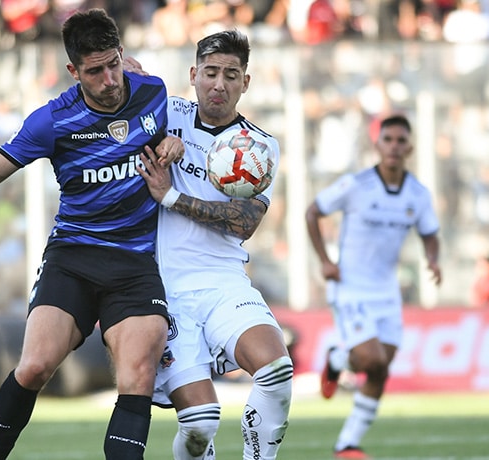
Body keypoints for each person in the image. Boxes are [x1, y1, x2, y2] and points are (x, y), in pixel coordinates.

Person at [0, 9, 184, 460]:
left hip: (135, 261)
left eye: (113, 64)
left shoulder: (153, 92)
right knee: (35, 366)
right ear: (73, 71)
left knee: (138, 373)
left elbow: (176, 137)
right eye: (94, 71)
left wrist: (171, 144)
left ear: (122, 55)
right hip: (74, 256)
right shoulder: (52, 121)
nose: (108, 79)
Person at [134, 30, 293, 460]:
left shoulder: (260, 147)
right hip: (165, 291)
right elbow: (122, 70)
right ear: (193, 75)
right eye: (210, 72)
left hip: (225, 281)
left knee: (276, 369)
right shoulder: (165, 112)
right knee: (202, 423)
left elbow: (245, 224)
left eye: (231, 74)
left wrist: (171, 197)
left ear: (246, 82)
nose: (219, 83)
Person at [305, 114, 442, 459]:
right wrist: (325, 260)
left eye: (401, 141)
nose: (394, 146)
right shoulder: (356, 185)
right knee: (370, 358)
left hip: (386, 292)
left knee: (381, 368)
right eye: (388, 139)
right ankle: (339, 359)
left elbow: (430, 233)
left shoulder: (418, 194)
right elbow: (313, 212)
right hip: (350, 286)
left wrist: (433, 258)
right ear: (377, 144)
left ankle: (347, 444)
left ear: (409, 147)